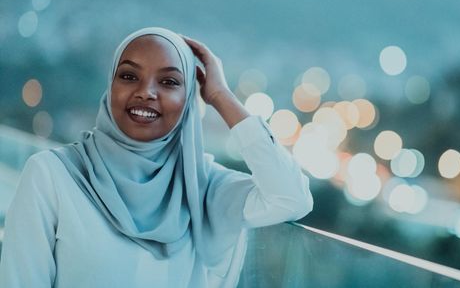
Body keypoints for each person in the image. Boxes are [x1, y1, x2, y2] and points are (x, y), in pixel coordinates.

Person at [0, 27, 313, 287]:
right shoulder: (52, 176)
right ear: (110, 87)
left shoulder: (203, 187)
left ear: (190, 98)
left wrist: (221, 97)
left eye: (169, 82)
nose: (146, 92)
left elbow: (292, 198)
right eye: (128, 76)